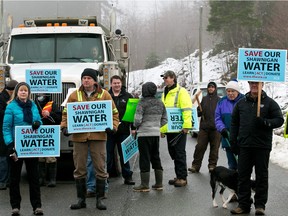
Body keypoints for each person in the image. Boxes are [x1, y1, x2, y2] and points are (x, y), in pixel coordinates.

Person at [61, 68, 119, 211]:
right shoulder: (74, 95)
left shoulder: (105, 95)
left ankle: (100, 199)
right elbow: (66, 113)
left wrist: (113, 127)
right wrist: (64, 126)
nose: (86, 80)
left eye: (88, 78)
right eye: (84, 78)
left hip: (98, 136)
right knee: (79, 168)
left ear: (94, 80)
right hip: (79, 137)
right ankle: (81, 199)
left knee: (100, 167)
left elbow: (114, 113)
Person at [229, 81, 284, 215]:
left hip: (262, 146)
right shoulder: (241, 103)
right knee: (243, 176)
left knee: (261, 176)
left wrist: (265, 122)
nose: (254, 85)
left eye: (257, 83)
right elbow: (234, 123)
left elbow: (279, 120)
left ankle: (260, 205)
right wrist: (233, 141)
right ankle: (244, 204)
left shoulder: (270, 103)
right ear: (248, 84)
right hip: (245, 146)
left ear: (262, 84)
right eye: (252, 83)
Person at [3, 82, 43, 216]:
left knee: (34, 177)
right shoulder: (11, 107)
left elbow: (38, 120)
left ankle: (37, 206)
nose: (24, 93)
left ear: (29, 93)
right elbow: (6, 128)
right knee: (14, 178)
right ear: (17, 92)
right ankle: (15, 207)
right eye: (21, 90)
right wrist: (10, 144)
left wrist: (38, 123)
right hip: (16, 147)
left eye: (26, 91)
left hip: (31, 147)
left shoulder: (33, 106)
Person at [133, 82, 167, 192]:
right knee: (155, 157)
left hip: (144, 134)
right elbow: (165, 119)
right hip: (155, 134)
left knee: (144, 158)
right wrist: (156, 126)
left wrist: (136, 126)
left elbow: (137, 120)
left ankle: (144, 185)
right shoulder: (160, 103)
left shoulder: (142, 103)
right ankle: (159, 184)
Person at [159, 70, 192, 187]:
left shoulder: (181, 91)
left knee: (179, 153)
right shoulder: (165, 92)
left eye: (166, 77)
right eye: (164, 78)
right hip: (169, 129)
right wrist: (162, 130)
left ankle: (182, 178)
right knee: (173, 153)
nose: (165, 80)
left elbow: (187, 109)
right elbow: (163, 113)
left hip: (179, 129)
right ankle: (178, 175)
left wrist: (187, 126)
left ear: (173, 78)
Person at [106, 75, 135, 185]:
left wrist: (133, 128)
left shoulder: (128, 96)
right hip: (110, 131)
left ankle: (127, 176)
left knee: (124, 154)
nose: (117, 85)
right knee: (107, 155)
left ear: (121, 83)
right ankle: (105, 177)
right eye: (114, 83)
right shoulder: (106, 96)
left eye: (118, 83)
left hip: (123, 131)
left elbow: (132, 113)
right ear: (111, 84)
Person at [188, 81, 221, 173]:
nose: (211, 88)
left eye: (212, 87)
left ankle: (212, 166)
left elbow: (222, 113)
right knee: (199, 147)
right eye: (209, 87)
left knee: (214, 149)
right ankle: (195, 166)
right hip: (204, 128)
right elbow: (198, 112)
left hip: (215, 129)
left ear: (215, 89)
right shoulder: (203, 99)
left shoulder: (219, 100)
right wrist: (199, 112)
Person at [215, 80, 244, 170]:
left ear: (237, 91)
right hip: (228, 136)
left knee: (243, 164)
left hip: (242, 138)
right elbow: (217, 118)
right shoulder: (222, 102)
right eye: (228, 91)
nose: (230, 93)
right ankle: (233, 182)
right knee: (232, 164)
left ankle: (244, 182)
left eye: (233, 91)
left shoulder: (244, 100)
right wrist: (222, 128)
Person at [35, 93, 62, 187]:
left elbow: (59, 118)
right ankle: (41, 179)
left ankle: (52, 180)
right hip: (37, 134)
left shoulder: (52, 104)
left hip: (50, 134)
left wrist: (50, 114)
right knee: (40, 157)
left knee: (51, 157)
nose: (40, 94)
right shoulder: (33, 104)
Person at [0, 80, 18, 190]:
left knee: (6, 155)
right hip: (4, 131)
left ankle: (6, 180)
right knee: (4, 156)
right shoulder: (4, 99)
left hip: (5, 130)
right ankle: (3, 180)